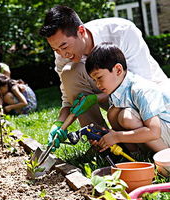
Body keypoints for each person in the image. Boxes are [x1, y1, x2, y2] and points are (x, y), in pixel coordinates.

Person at [39, 5, 169, 148]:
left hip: (153, 102)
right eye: (56, 49)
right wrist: (59, 123)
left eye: (64, 47)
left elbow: (140, 87)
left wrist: (95, 98)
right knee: (69, 71)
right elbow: (69, 100)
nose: (63, 54)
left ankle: (144, 148)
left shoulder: (122, 32)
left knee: (126, 117)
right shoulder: (62, 54)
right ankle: (101, 143)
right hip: (115, 98)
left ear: (81, 31)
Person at [85, 42, 170, 153]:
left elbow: (154, 132)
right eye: (94, 80)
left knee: (127, 118)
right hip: (158, 134)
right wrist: (107, 137)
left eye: (99, 77)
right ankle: (136, 155)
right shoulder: (118, 90)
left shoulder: (140, 90)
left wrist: (117, 137)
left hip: (163, 130)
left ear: (118, 70)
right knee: (113, 113)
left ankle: (165, 160)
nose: (97, 84)